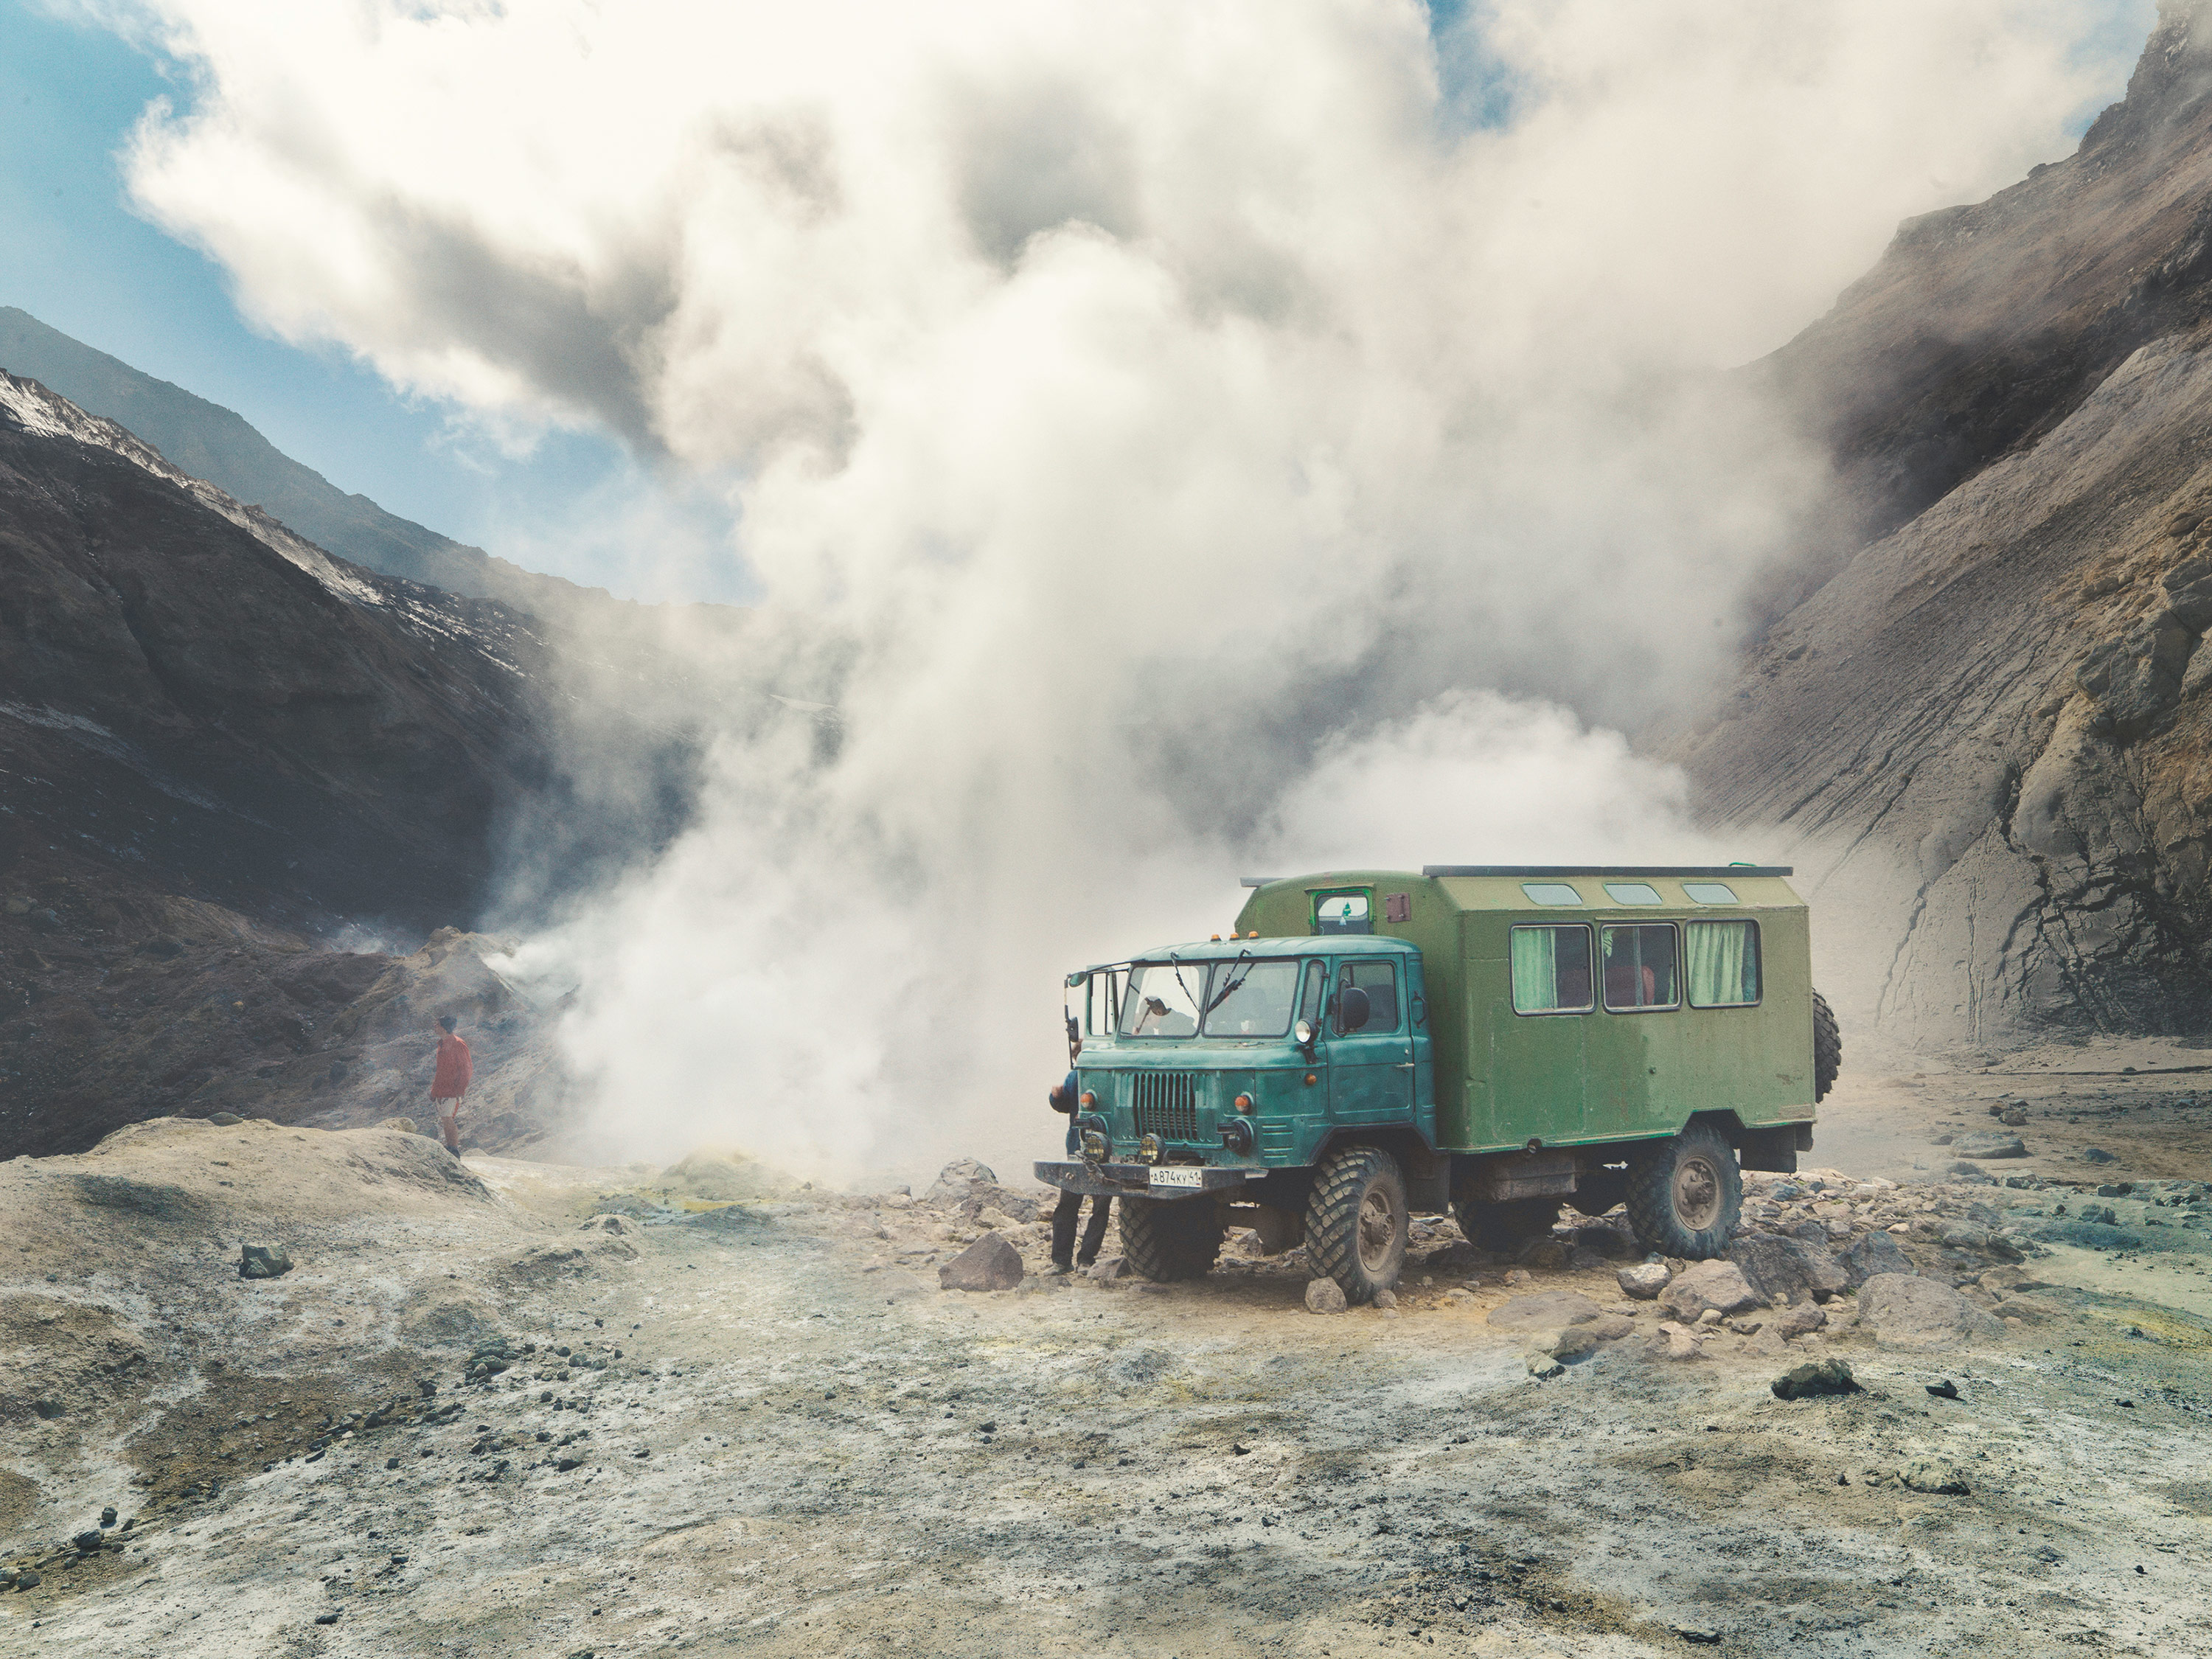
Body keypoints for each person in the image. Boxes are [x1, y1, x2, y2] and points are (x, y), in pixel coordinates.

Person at [1047, 1034, 1111, 1272]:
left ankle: (1068, 1260)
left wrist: (1057, 1097)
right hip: (1092, 1150)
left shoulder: (1076, 1075)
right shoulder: (1077, 1077)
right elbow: (1066, 1105)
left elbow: (1065, 1105)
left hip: (1086, 1150)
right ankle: (1079, 1260)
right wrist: (1056, 1097)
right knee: (1092, 1207)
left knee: (1073, 1206)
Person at [430, 1015, 473, 1156]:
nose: (434, 1026)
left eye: (437, 1024)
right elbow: (441, 1070)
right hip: (442, 1089)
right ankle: (450, 1147)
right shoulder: (442, 1043)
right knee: (445, 1118)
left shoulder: (458, 1044)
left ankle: (454, 1149)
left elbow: (466, 1069)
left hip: (452, 1090)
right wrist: (434, 1090)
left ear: (443, 1027)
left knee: (448, 1117)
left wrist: (460, 1090)